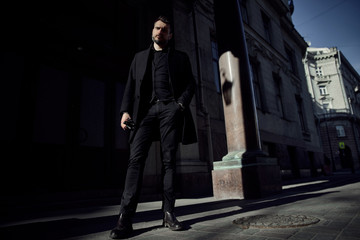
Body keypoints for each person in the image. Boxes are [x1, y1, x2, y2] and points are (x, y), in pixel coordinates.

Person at [110, 15, 197, 239]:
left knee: (169, 162)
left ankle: (168, 213)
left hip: (170, 109)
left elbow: (190, 83)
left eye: (165, 30)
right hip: (144, 113)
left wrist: (179, 105)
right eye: (157, 28)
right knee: (135, 161)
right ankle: (125, 219)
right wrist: (125, 111)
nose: (160, 32)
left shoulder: (180, 57)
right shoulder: (139, 58)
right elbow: (130, 85)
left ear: (170, 34)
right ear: (152, 30)